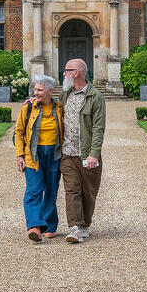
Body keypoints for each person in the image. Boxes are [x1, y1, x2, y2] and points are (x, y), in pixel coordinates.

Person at [59, 58, 106, 244]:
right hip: (67, 153)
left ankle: (85, 225)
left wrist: (94, 154)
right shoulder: (65, 94)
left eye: (66, 71)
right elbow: (52, 110)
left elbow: (98, 127)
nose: (64, 74)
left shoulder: (95, 97)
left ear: (76, 73)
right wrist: (35, 101)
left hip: (86, 153)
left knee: (89, 192)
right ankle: (75, 227)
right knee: (71, 190)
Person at [14, 74, 63, 243]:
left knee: (51, 189)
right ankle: (34, 226)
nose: (36, 92)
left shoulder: (59, 107)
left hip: (55, 153)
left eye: (40, 90)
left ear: (50, 91)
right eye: (35, 89)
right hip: (33, 154)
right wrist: (19, 155)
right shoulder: (28, 108)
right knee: (34, 189)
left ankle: (49, 225)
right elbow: (19, 132)